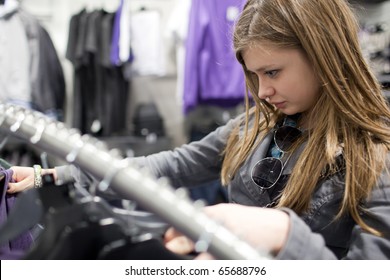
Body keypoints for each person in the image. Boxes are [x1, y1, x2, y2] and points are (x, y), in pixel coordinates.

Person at [5, 0, 390, 259]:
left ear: (325, 55)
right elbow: (169, 165)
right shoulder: (253, 128)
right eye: (254, 76)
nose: (264, 91)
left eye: (273, 72)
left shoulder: (377, 157)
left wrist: (284, 233)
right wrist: (57, 174)